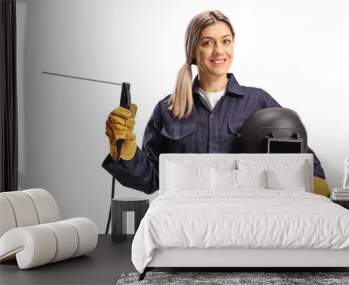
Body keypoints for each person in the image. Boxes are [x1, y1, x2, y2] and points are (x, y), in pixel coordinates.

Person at [102, 10, 330, 196]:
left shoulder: (258, 102)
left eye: (226, 41)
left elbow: (299, 154)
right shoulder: (167, 109)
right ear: (192, 50)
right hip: (186, 220)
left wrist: (315, 183)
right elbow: (151, 179)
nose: (219, 51)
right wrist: (125, 151)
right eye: (207, 43)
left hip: (246, 218)